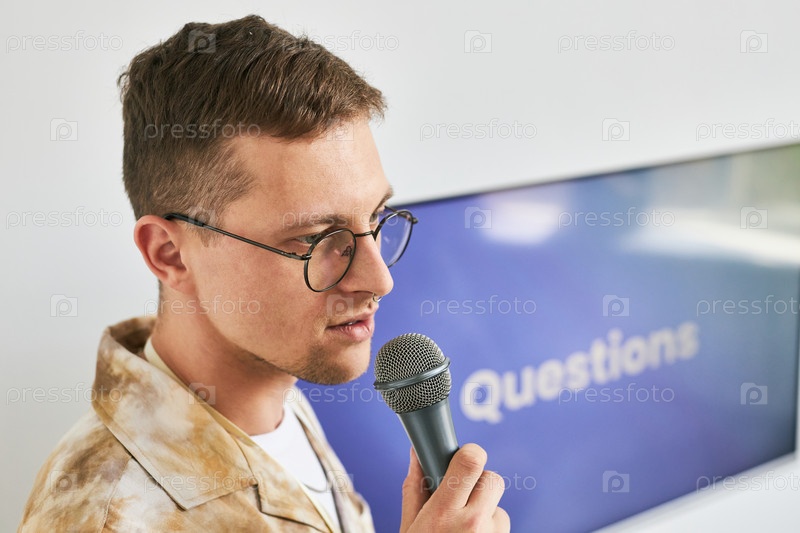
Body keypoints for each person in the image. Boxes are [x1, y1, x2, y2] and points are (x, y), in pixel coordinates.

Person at [19, 15, 509, 532]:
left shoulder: (272, 387)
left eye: (375, 219)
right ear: (170, 254)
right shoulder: (107, 517)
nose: (379, 280)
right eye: (315, 239)